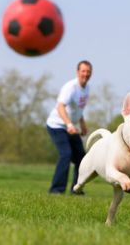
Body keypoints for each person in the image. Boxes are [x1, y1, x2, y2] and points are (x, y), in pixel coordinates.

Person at [46, 60, 93, 194]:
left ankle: (76, 189)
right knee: (66, 154)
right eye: (83, 71)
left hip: (70, 126)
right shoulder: (71, 87)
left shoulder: (87, 88)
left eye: (88, 71)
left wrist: (82, 124)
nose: (86, 74)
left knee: (81, 158)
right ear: (77, 72)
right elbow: (60, 107)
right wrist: (69, 124)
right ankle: (56, 190)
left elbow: (78, 109)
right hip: (57, 125)